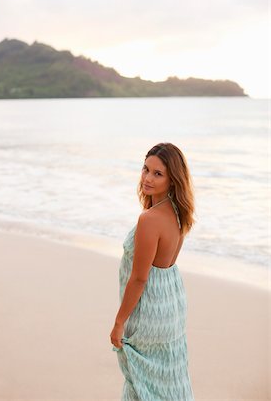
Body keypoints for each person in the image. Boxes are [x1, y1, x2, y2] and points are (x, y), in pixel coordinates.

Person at [110, 142, 195, 400]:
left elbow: (139, 278)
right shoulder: (180, 213)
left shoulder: (149, 220)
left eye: (158, 174)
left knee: (141, 386)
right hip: (172, 308)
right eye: (146, 169)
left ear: (172, 179)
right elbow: (167, 264)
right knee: (169, 383)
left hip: (149, 311)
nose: (147, 178)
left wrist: (119, 322)